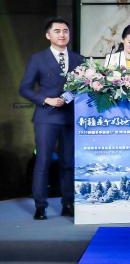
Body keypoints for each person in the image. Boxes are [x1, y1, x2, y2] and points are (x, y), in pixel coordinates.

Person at [18, 17, 84, 220]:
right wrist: (46, 99)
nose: (62, 34)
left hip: (70, 117)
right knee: (43, 161)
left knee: (68, 163)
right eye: (57, 31)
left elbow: (84, 87)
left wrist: (70, 96)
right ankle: (40, 206)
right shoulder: (37, 59)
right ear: (48, 35)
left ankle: (68, 203)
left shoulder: (79, 59)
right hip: (46, 117)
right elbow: (25, 88)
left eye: (65, 31)